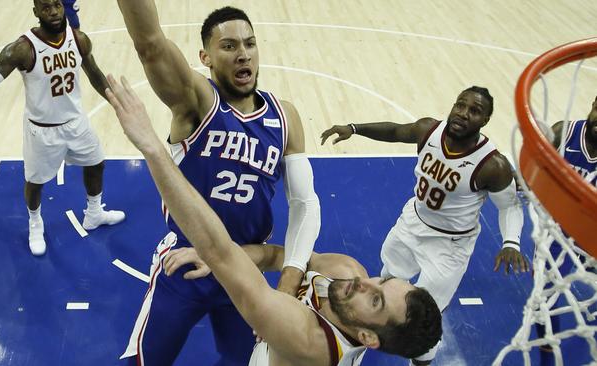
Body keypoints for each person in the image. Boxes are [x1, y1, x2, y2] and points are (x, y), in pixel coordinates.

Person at [105, 74, 442, 366]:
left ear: (367, 336)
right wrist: (218, 256)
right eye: (381, 282)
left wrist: (152, 147)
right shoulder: (345, 274)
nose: (365, 282)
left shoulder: (305, 339)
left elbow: (219, 250)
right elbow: (276, 256)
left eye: (375, 299)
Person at [116, 2, 321, 365]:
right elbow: (149, 42)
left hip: (246, 268)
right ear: (205, 57)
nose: (243, 54)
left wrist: (287, 284)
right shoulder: (196, 101)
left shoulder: (284, 116)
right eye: (229, 46)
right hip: (184, 264)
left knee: (244, 360)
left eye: (249, 44)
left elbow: (305, 205)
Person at [321, 86, 530, 365]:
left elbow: (509, 206)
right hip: (413, 222)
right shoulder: (429, 130)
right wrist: (353, 128)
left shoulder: (493, 165)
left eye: (475, 111)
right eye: (460, 105)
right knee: (389, 278)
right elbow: (394, 132)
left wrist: (511, 242)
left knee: (423, 315)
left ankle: (421, 362)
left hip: (450, 245)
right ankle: (371, 329)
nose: (464, 114)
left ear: (485, 121)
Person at [0, 0, 124, 256]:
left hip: (75, 121)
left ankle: (94, 213)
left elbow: (94, 73)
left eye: (56, 5)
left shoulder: (79, 39)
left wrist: (116, 101)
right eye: (46, 8)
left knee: (96, 163)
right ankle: (35, 222)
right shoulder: (23, 48)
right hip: (42, 129)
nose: (54, 12)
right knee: (35, 182)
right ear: (36, 12)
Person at [534, 96, 596, 365]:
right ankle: (548, 352)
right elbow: (533, 170)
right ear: (593, 104)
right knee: (542, 298)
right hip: (558, 229)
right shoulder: (564, 132)